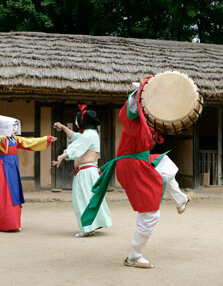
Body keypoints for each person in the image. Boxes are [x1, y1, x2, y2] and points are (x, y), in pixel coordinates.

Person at [80, 78, 194, 269]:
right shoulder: (134, 116)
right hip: (133, 166)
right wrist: (142, 91)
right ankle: (133, 257)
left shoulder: (144, 120)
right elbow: (130, 110)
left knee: (166, 164)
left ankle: (181, 201)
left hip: (139, 160)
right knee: (150, 215)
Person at [0, 115, 56, 232]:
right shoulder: (2, 138)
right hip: (3, 170)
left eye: (16, 126)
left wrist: (46, 139)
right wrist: (2, 139)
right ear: (6, 127)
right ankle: (3, 224)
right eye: (12, 126)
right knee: (3, 194)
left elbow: (29, 142)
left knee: (13, 193)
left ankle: (13, 223)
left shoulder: (15, 139)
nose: (15, 128)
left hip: (12, 168)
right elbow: (0, 142)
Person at [52, 104, 112, 238]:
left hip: (86, 172)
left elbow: (76, 146)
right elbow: (76, 137)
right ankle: (94, 224)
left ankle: (87, 228)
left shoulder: (89, 135)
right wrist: (63, 127)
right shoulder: (90, 134)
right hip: (88, 172)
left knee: (81, 199)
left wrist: (63, 155)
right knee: (89, 199)